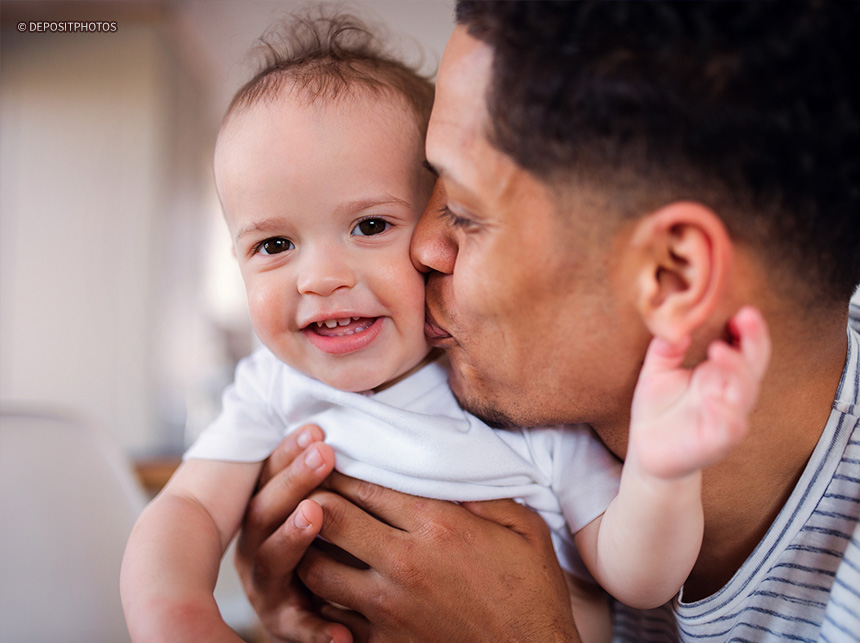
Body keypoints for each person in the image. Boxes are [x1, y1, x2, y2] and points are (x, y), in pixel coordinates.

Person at [119, 7, 772, 643]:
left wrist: (662, 471)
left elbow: (641, 577)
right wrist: (178, 613)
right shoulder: (269, 388)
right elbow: (189, 510)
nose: (318, 277)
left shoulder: (512, 393)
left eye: (370, 226)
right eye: (272, 245)